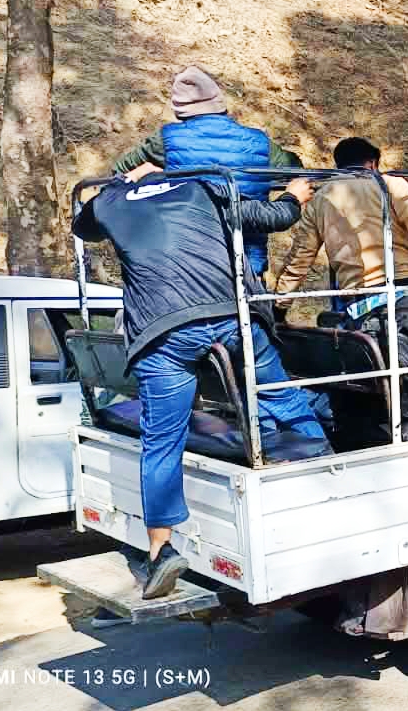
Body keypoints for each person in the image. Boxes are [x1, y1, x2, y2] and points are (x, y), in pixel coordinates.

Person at [73, 172, 330, 600]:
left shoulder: (110, 202)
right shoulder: (203, 187)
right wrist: (294, 195)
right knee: (278, 394)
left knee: (161, 442)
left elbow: (81, 226)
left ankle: (161, 550)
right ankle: (324, 475)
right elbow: (274, 216)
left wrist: (119, 186)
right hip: (229, 315)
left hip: (162, 330)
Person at [274, 137, 408, 420]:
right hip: (406, 291)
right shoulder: (392, 185)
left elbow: (300, 256)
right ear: (372, 163)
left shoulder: (322, 198)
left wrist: (280, 304)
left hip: (358, 301)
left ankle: (389, 427)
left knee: (377, 372)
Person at [110, 65, 298, 279]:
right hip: (246, 269)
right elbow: (295, 170)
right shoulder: (259, 142)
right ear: (220, 102)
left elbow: (121, 173)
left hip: (185, 269)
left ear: (179, 109)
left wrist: (155, 172)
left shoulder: (166, 140)